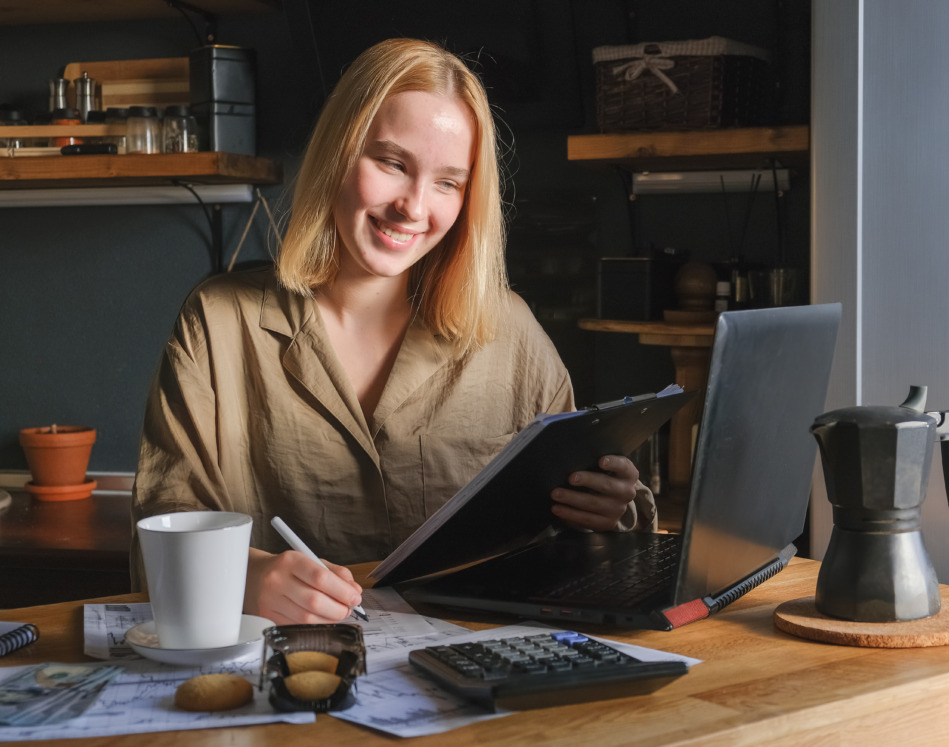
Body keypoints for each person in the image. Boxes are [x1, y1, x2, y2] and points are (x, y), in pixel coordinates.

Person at [130, 38, 657, 627]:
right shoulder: (218, 319)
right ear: (338, 153)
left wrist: (610, 508)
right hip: (295, 676)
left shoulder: (508, 327)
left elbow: (583, 524)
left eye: (448, 183)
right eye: (391, 163)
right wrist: (245, 578)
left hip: (473, 675)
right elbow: (161, 526)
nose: (413, 206)